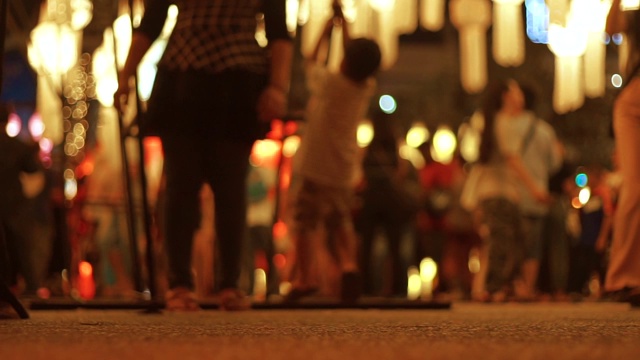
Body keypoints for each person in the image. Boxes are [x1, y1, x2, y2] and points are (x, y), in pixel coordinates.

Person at [114, 0, 293, 311]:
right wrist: (125, 75)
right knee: (187, 187)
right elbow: (152, 21)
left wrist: (278, 86)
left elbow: (279, 31)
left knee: (227, 189)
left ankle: (227, 284)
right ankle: (183, 283)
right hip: (191, 78)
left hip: (226, 80)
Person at [286, 3, 381, 303]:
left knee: (304, 221)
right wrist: (344, 27)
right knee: (341, 222)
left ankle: (305, 279)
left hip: (315, 167)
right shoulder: (364, 87)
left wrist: (327, 30)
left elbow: (310, 61)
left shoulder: (330, 83)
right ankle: (350, 266)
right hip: (343, 170)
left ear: (344, 62)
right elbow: (354, 56)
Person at [464, 80, 552, 302]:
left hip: (493, 192)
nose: (520, 95)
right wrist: (535, 190)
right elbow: (513, 160)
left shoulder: (490, 121)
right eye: (515, 91)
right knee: (502, 241)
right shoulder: (505, 123)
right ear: (505, 96)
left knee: (507, 240)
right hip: (499, 193)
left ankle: (500, 287)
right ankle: (493, 288)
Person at [602, 0, 640, 306]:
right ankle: (620, 278)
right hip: (633, 103)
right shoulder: (637, 17)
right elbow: (611, 27)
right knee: (635, 189)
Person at [0, 103, 43, 298]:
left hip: (10, 202)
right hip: (13, 203)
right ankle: (32, 286)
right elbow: (34, 170)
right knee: (21, 245)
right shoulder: (17, 146)